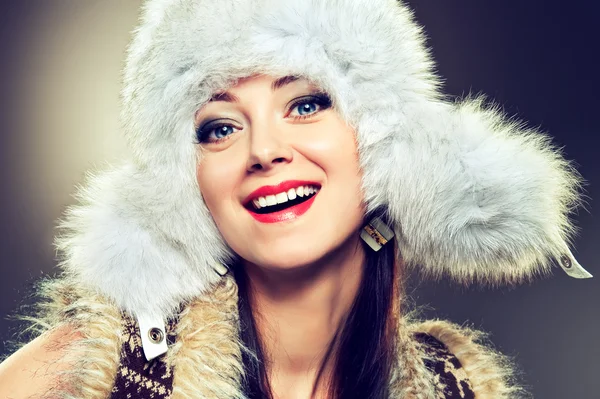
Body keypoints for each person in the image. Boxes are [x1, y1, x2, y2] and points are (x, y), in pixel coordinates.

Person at [0, 0, 592, 398]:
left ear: (386, 144)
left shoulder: (455, 385)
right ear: (187, 186)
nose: (264, 150)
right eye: (219, 127)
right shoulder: (97, 370)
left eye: (306, 104)